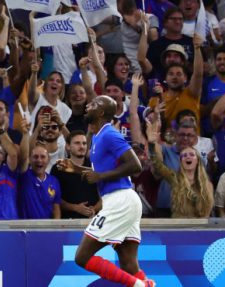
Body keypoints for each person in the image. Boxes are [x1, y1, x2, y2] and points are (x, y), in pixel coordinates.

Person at [56, 96, 155, 287]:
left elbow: (135, 165)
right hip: (123, 200)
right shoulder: (97, 136)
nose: (87, 106)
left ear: (101, 113)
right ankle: (144, 284)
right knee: (129, 264)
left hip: (120, 200)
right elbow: (100, 172)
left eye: (93, 104)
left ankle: (139, 285)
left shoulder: (109, 134)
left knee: (82, 257)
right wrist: (76, 170)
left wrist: (100, 177)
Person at [145, 119, 214, 218]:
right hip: (166, 213)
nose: (185, 138)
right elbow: (157, 165)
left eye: (189, 135)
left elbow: (207, 211)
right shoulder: (175, 177)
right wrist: (152, 143)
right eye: (182, 134)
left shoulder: (207, 184)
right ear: (176, 135)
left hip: (197, 223)